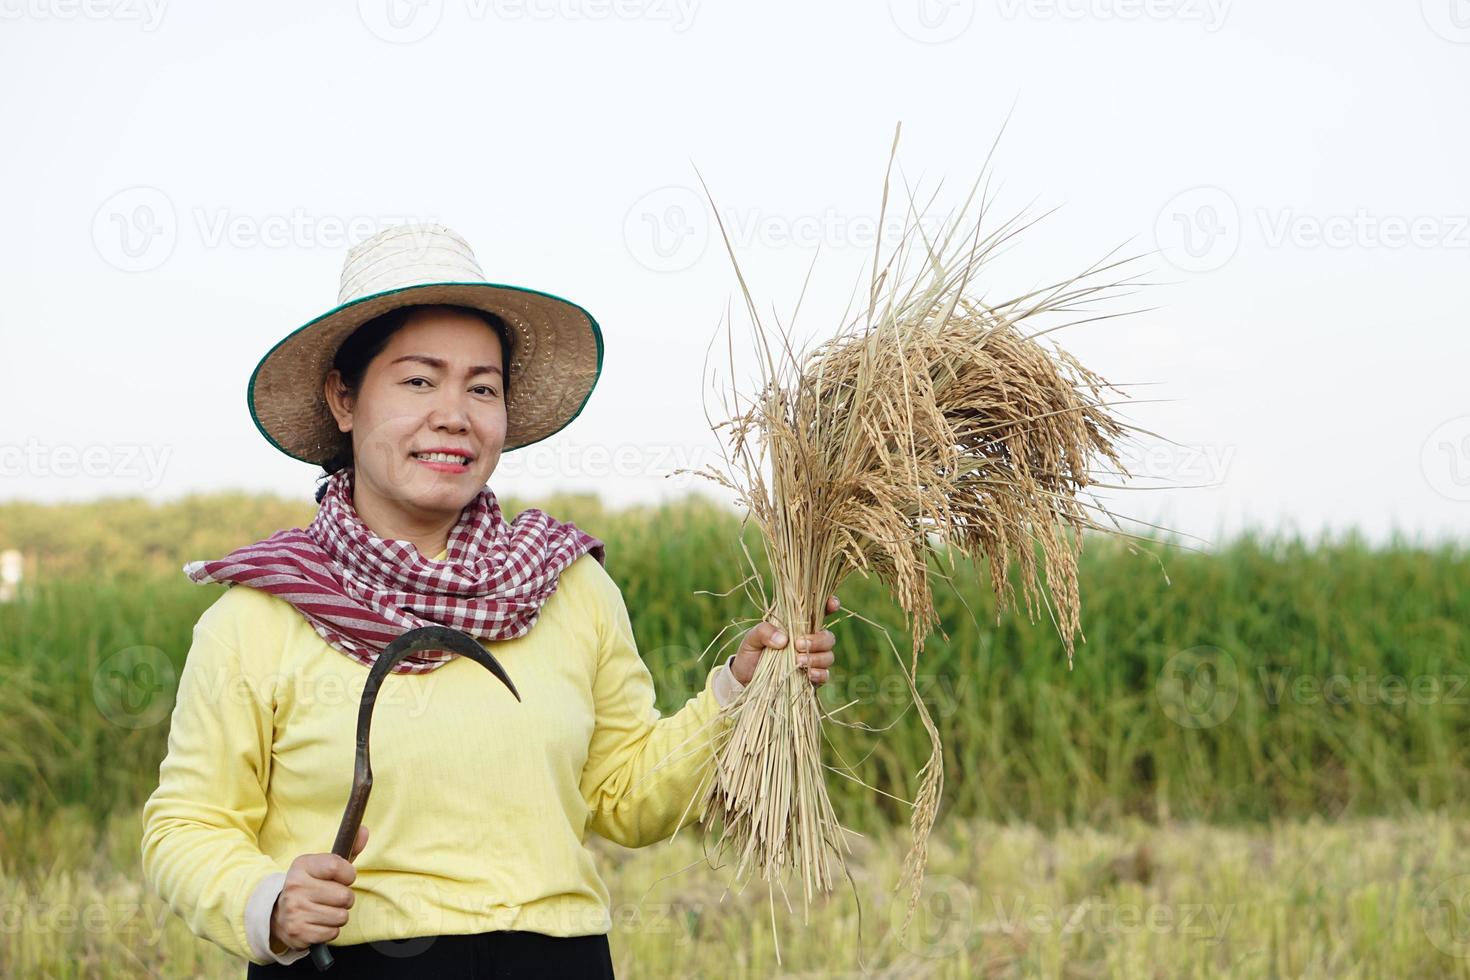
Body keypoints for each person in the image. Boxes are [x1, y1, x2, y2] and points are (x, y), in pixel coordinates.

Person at [139, 223, 839, 978]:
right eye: (417, 381)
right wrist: (267, 901)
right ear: (343, 398)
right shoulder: (262, 613)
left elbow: (625, 796)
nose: (454, 414)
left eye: (482, 387)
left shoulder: (566, 584)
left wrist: (740, 687)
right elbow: (187, 824)